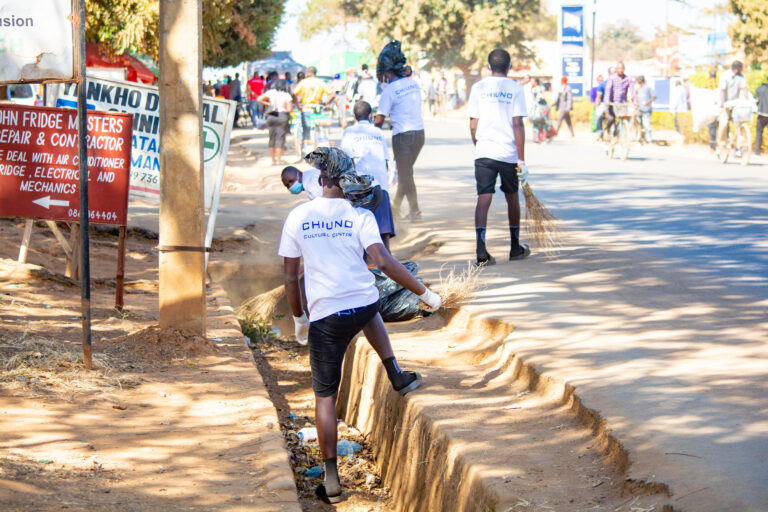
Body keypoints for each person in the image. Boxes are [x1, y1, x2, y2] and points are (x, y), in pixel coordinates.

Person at [279, 147, 441, 504]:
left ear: (319, 180)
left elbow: (291, 279)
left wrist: (299, 320)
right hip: (363, 304)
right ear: (346, 179)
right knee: (370, 306)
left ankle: (332, 479)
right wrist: (425, 294)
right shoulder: (359, 215)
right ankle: (395, 372)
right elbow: (383, 261)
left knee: (325, 397)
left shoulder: (298, 216)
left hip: (326, 317)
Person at [467, 48, 530, 266]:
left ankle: (481, 250)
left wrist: (479, 144)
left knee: (484, 198)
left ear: (489, 66)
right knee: (512, 197)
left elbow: (473, 124)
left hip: (484, 151)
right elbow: (518, 124)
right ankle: (515, 247)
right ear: (509, 66)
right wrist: (521, 160)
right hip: (508, 153)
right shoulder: (515, 88)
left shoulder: (478, 87)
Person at [374, 40, 425, 222]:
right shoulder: (413, 84)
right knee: (406, 174)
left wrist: (368, 129)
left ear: (386, 74)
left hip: (402, 137)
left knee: (406, 175)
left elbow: (379, 119)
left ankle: (415, 212)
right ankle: (395, 208)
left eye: (380, 76)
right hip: (419, 135)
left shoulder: (389, 91)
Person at [340, 101, 395, 251]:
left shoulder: (349, 132)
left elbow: (346, 159)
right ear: (371, 116)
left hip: (361, 187)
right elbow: (385, 159)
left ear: (354, 116)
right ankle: (387, 256)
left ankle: (365, 259)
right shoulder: (377, 132)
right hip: (381, 184)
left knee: (361, 226)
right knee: (383, 227)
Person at [257, 79, 293, 165]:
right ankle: (279, 160)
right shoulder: (286, 95)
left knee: (271, 137)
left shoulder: (270, 92)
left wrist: (268, 104)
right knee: (280, 138)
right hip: (282, 116)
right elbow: (289, 109)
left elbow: (259, 99)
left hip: (271, 116)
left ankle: (272, 160)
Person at [293, 66, 334, 141]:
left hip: (306, 109)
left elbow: (294, 94)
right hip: (317, 109)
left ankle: (306, 146)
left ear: (308, 72)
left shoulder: (303, 82)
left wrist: (298, 106)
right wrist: (325, 103)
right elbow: (332, 94)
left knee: (306, 130)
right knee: (319, 128)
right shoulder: (321, 82)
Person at [717, 60, 749, 150]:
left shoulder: (741, 77)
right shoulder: (725, 76)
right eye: (741, 68)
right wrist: (723, 104)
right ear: (737, 68)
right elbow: (722, 91)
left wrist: (748, 101)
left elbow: (744, 89)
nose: (742, 70)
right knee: (724, 123)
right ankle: (721, 143)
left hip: (735, 104)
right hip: (725, 103)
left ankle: (740, 145)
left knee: (740, 123)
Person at [603, 62, 635, 139]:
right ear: (616, 69)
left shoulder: (628, 79)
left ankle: (622, 135)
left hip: (622, 103)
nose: (621, 70)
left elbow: (632, 91)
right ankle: (606, 129)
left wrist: (635, 101)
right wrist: (607, 100)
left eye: (622, 68)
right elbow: (608, 90)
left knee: (626, 117)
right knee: (611, 118)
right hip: (612, 103)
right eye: (619, 68)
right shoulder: (612, 78)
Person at [634, 76, 656, 143]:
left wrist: (647, 102)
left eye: (638, 79)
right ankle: (641, 137)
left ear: (641, 80)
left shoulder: (648, 87)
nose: (637, 81)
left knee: (647, 124)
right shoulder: (639, 88)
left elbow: (654, 97)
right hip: (640, 109)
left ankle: (649, 139)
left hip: (646, 109)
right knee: (639, 124)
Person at [754, 77, 768, 156]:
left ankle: (757, 152)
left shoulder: (759, 88)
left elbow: (755, 99)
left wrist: (758, 104)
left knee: (759, 132)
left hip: (761, 113)